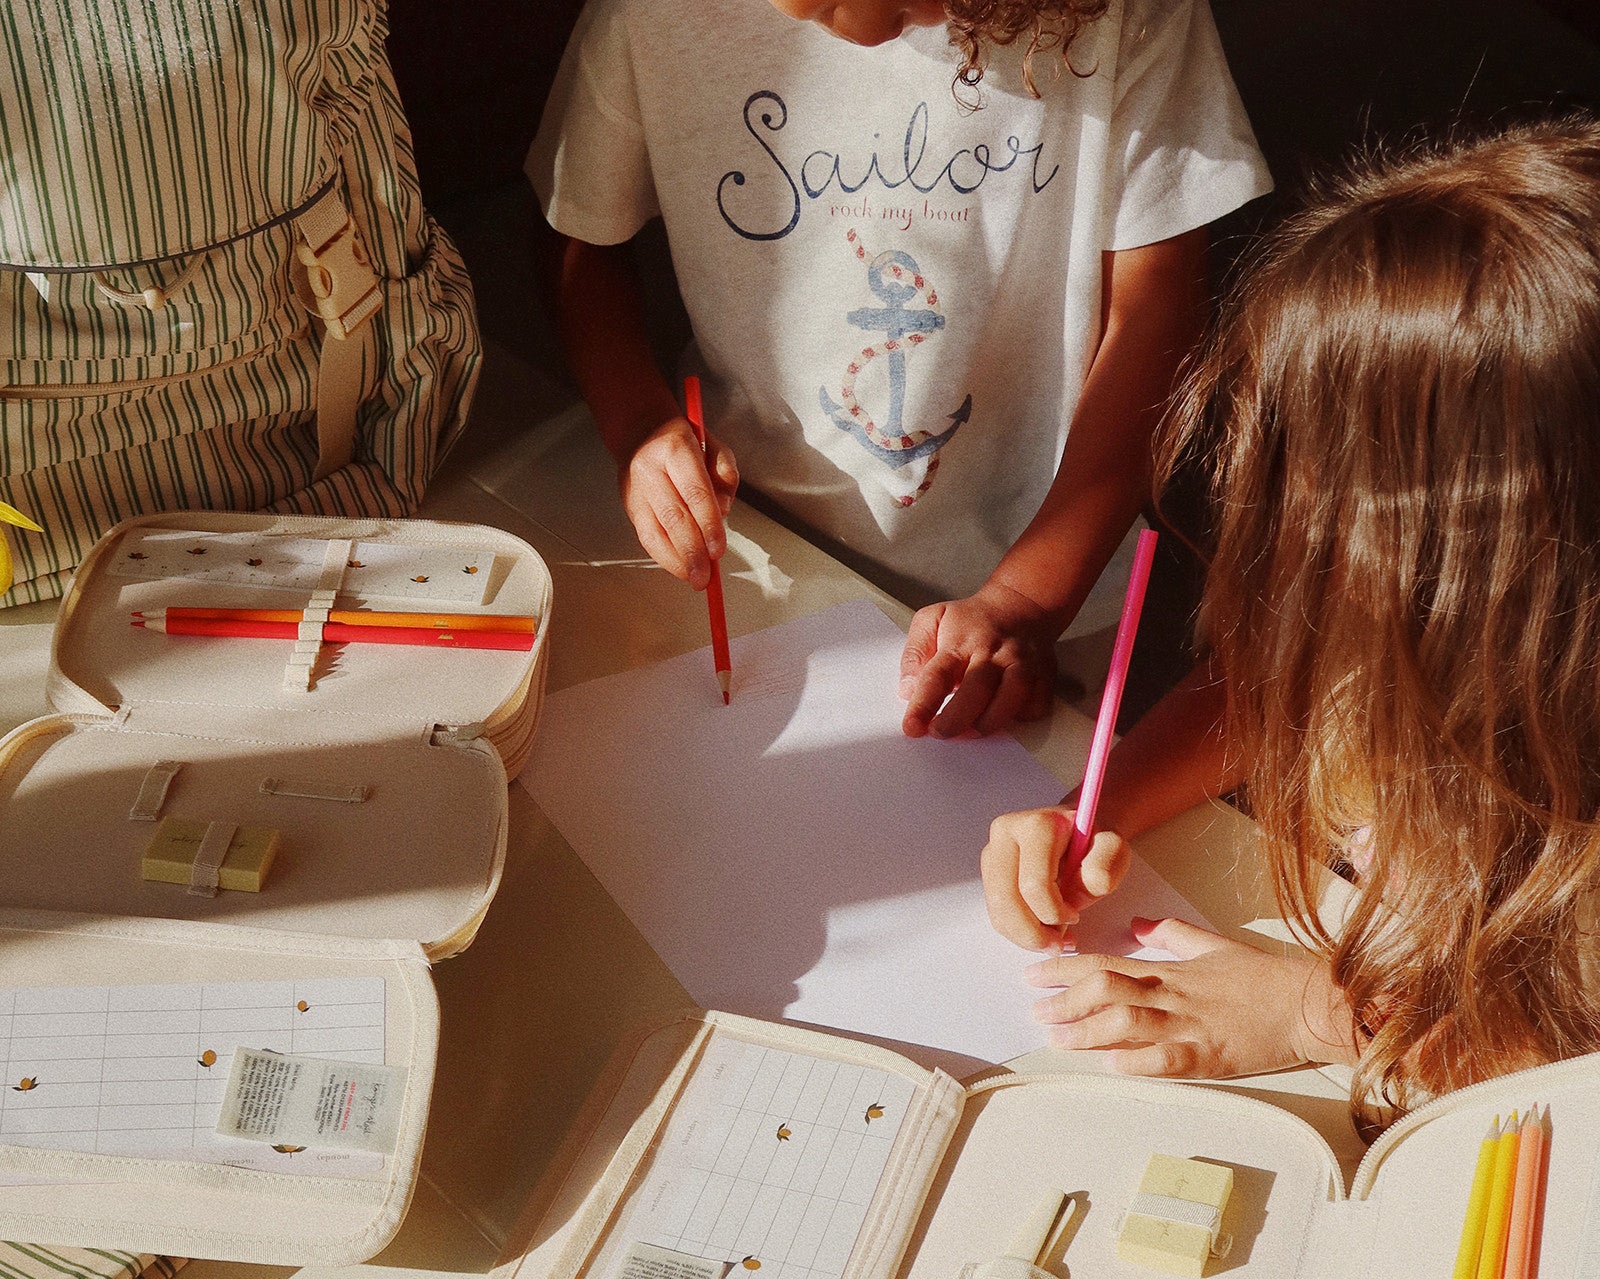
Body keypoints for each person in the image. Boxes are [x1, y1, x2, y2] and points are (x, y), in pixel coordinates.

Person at [981, 120, 1600, 1130]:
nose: (1280, 548)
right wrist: (1100, 803)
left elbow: (1565, 1057)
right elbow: (1278, 683)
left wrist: (1314, 1013)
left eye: (1320, 507)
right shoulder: (1405, 624)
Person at [529, 0, 1269, 735]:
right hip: (753, 564)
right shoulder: (646, 17)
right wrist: (639, 426)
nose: (878, 27)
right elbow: (583, 239)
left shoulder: (1128, 13)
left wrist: (1027, 599)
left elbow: (1159, 318)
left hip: (1048, 600)